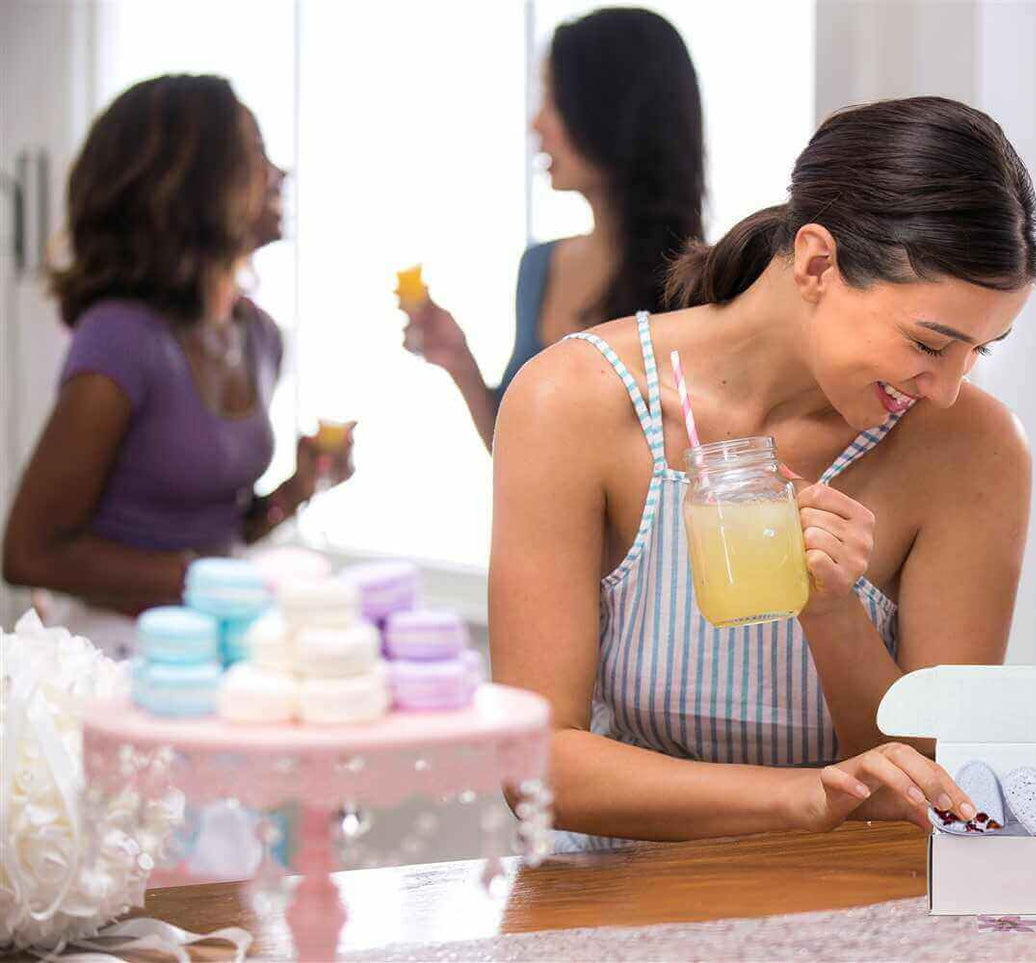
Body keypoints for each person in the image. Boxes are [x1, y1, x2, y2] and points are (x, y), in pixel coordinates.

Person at [489, 96, 1036, 846]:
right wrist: (804, 799)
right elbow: (533, 764)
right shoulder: (572, 402)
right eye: (927, 343)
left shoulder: (973, 449)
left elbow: (931, 774)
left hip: (863, 903)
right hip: (614, 901)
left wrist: (828, 606)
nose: (946, 388)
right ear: (817, 262)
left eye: (981, 349)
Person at [1, 74, 351, 656]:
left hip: (206, 644)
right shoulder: (121, 339)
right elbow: (28, 552)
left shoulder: (258, 336)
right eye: (255, 155)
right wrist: (220, 582)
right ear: (191, 183)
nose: (278, 175)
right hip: (115, 657)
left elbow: (215, 533)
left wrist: (296, 489)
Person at [402, 7, 704, 451]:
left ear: (615, 112)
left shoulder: (702, 286)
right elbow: (522, 455)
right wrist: (459, 362)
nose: (537, 124)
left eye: (555, 101)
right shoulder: (538, 267)